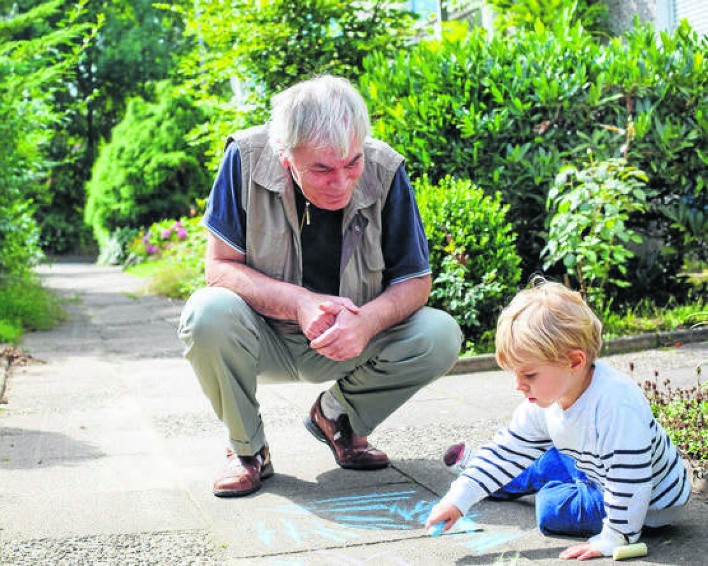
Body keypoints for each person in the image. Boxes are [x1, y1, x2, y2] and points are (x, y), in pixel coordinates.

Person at [177, 75, 463, 497]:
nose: (342, 182)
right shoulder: (244, 157)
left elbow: (415, 281)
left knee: (440, 334)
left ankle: (338, 418)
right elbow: (218, 268)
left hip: (354, 339)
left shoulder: (386, 169)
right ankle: (248, 450)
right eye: (322, 169)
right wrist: (299, 304)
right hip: (263, 338)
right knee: (206, 313)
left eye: (352, 163)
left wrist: (365, 323)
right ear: (284, 155)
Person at [424, 279, 691, 559]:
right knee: (531, 455)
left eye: (529, 375)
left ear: (574, 362)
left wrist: (616, 537)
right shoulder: (548, 397)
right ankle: (510, 475)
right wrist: (456, 501)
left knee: (550, 508)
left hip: (648, 504)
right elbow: (506, 451)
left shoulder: (616, 405)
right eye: (514, 374)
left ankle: (535, 478)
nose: (518, 385)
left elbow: (630, 480)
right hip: (595, 466)